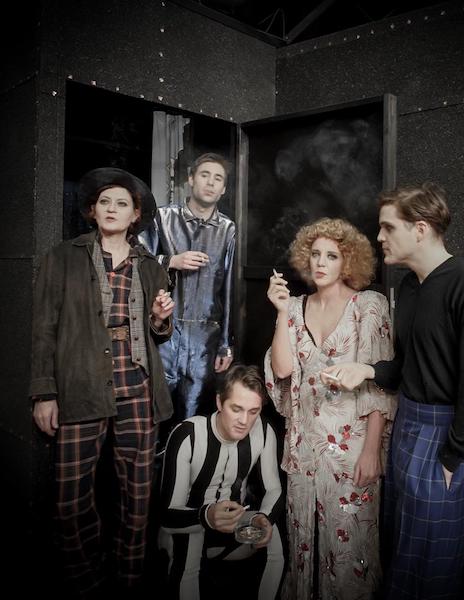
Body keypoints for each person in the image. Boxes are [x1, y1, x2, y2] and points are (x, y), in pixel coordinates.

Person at [322, 183, 464, 599]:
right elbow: (407, 366)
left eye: (388, 227)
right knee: (399, 552)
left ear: (420, 229)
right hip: (407, 427)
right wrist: (366, 369)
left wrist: (455, 456)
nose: (379, 237)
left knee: (431, 564)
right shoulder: (408, 287)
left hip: (445, 439)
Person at [29, 167, 176, 598]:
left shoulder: (151, 266)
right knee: (70, 498)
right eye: (105, 202)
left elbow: (159, 332)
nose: (112, 209)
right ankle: (86, 581)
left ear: (135, 215)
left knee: (137, 495)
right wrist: (44, 393)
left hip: (138, 387)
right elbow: (43, 329)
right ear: (92, 211)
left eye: (122, 203)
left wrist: (160, 319)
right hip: (81, 385)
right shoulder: (63, 257)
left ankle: (129, 579)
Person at [264, 217, 396, 600]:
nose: (321, 262)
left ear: (348, 261)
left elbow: (380, 384)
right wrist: (281, 312)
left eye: (332, 256)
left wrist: (372, 450)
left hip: (352, 451)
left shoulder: (368, 306)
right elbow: (283, 370)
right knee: (302, 546)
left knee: (351, 551)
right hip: (304, 447)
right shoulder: (295, 306)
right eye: (316, 254)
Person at [158, 363, 285, 600]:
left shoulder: (264, 431)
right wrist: (206, 515)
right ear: (219, 402)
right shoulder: (188, 433)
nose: (244, 420)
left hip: (233, 530)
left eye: (253, 411)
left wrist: (263, 518)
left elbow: (274, 489)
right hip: (185, 528)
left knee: (272, 530)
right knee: (190, 539)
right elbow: (166, 515)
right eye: (236, 409)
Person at [138, 152, 235, 421]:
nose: (211, 182)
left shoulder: (229, 230)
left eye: (218, 179)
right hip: (162, 334)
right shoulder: (162, 218)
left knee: (194, 419)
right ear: (191, 179)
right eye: (205, 175)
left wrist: (225, 344)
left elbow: (229, 290)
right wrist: (171, 261)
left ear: (223, 189)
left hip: (205, 340)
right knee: (154, 414)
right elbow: (137, 262)